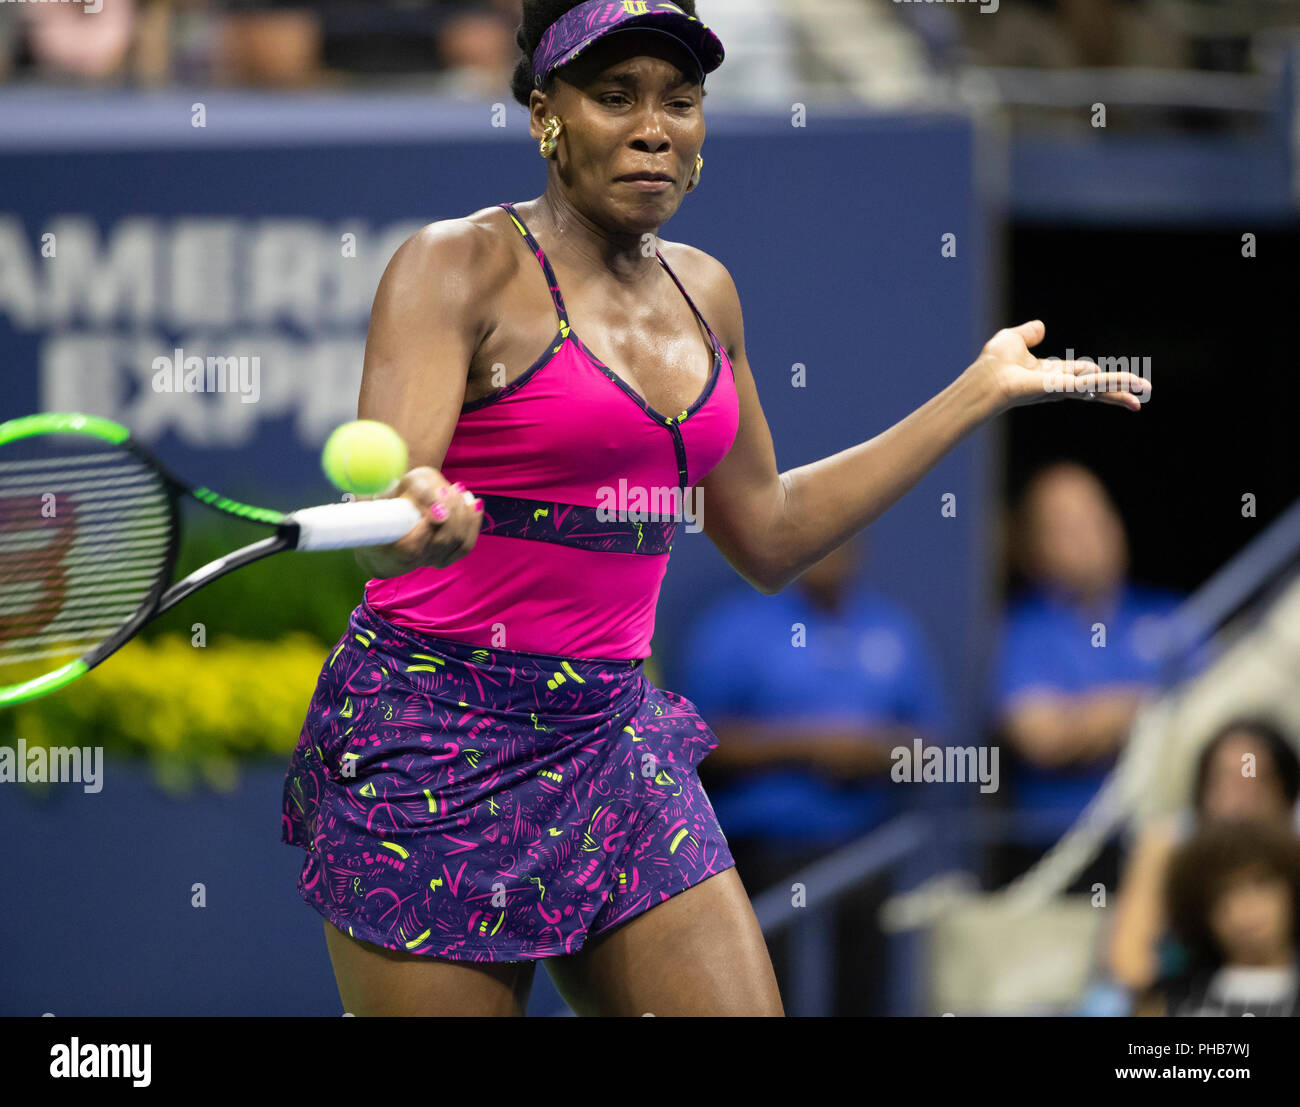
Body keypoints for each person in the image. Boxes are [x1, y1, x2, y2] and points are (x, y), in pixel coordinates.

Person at [280, 0, 1150, 1017]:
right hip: (433, 740)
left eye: (680, 101)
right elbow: (388, 515)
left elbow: (770, 535)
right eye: (614, 97)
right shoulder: (454, 264)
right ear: (541, 114)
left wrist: (977, 391)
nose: (654, 127)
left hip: (608, 736)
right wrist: (413, 509)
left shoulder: (706, 294)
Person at [677, 535, 949, 1014]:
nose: (830, 554)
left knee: (863, 998)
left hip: (867, 855)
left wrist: (872, 752)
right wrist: (810, 746)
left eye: (843, 540)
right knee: (768, 997)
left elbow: (933, 750)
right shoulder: (735, 625)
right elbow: (700, 739)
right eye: (817, 541)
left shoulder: (891, 627)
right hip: (764, 857)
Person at [993, 462, 1183, 833]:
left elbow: (1215, 714)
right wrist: (1156, 709)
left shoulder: (1171, 615)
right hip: (1056, 847)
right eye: (1067, 527)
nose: (1090, 536)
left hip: (1160, 841)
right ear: (1034, 549)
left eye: (1099, 516)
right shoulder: (1023, 630)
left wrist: (1084, 719)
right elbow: (1041, 739)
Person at [1107, 717, 1299, 994]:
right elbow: (1129, 964)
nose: (1239, 804)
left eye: (1254, 785)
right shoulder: (1169, 848)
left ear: (1286, 795)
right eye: (1225, 784)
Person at [1137, 819, 1300, 1017]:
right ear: (1202, 910)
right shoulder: (1167, 1002)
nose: (1245, 907)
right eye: (1224, 893)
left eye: (1261, 884)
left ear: (1292, 891)